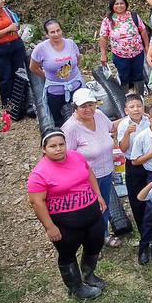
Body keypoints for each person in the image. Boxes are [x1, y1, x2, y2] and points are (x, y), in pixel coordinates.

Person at [28, 128, 108, 300]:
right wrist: (49, 227)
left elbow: (89, 174)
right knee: (67, 254)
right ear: (44, 149)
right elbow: (37, 202)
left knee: (95, 244)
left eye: (61, 144)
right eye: (52, 146)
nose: (58, 149)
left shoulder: (76, 156)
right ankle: (76, 288)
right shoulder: (39, 173)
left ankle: (89, 275)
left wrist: (98, 195)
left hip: (92, 215)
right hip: (66, 224)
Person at [61, 88, 119, 247]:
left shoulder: (99, 116)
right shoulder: (71, 128)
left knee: (104, 205)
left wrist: (133, 118)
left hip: (106, 172)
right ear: (75, 107)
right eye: (83, 106)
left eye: (91, 104)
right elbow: (66, 157)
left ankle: (104, 234)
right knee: (89, 211)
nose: (88, 109)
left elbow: (112, 128)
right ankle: (91, 242)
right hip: (85, 178)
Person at [116, 93, 152, 265]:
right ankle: (144, 242)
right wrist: (127, 134)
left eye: (138, 106)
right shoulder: (124, 125)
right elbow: (122, 148)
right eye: (132, 107)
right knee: (137, 202)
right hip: (134, 164)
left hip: (151, 162)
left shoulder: (149, 120)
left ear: (143, 107)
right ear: (126, 110)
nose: (136, 109)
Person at [30, 19, 83, 127]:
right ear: (46, 34)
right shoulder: (41, 49)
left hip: (76, 86)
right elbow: (33, 67)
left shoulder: (70, 43)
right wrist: (46, 76)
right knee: (58, 119)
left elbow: (77, 60)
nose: (56, 34)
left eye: (58, 30)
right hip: (55, 90)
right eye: (52, 32)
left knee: (80, 114)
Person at [99, 0, 150, 93]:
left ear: (126, 4)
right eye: (116, 4)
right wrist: (103, 55)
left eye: (121, 3)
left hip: (137, 53)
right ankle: (125, 99)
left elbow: (143, 31)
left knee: (138, 75)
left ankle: (140, 98)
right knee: (124, 76)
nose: (119, 6)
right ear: (112, 5)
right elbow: (103, 38)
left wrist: (147, 47)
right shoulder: (108, 20)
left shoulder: (133, 16)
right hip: (120, 56)